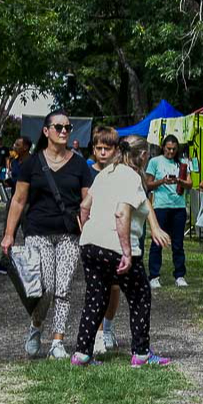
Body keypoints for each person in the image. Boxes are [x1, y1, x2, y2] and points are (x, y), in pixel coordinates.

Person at [71, 131, 172, 367]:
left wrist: (89, 231)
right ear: (144, 155)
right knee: (139, 296)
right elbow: (121, 212)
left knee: (96, 297)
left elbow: (84, 207)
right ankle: (141, 354)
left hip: (90, 244)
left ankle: (82, 354)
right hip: (116, 246)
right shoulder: (132, 177)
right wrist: (126, 252)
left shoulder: (105, 173)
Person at [2, 110, 93, 359]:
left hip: (68, 234)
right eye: (58, 127)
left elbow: (87, 201)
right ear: (46, 131)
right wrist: (9, 234)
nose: (64, 131)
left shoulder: (79, 165)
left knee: (64, 287)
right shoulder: (32, 163)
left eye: (68, 127)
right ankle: (36, 326)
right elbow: (19, 201)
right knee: (45, 288)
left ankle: (57, 342)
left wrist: (89, 228)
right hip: (38, 232)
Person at [88, 130, 123, 353]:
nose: (102, 152)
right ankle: (98, 334)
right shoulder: (86, 172)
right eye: (99, 148)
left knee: (115, 287)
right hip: (94, 236)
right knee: (97, 287)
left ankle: (107, 328)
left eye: (107, 148)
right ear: (93, 149)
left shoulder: (121, 174)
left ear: (115, 150)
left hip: (116, 235)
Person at [144, 134, 192, 288]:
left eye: (173, 149)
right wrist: (162, 181)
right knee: (157, 242)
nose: (170, 152)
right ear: (163, 147)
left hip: (178, 207)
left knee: (178, 243)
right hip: (160, 207)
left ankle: (179, 275)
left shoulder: (183, 163)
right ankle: (154, 276)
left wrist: (179, 181)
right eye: (168, 148)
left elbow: (190, 184)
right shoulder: (155, 162)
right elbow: (147, 185)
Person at [0, 137, 32, 275]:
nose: (14, 146)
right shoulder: (15, 162)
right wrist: (9, 182)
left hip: (29, 202)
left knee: (29, 234)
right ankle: (5, 262)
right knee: (8, 230)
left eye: (17, 144)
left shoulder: (33, 162)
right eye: (14, 143)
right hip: (14, 199)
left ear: (26, 147)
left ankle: (31, 264)